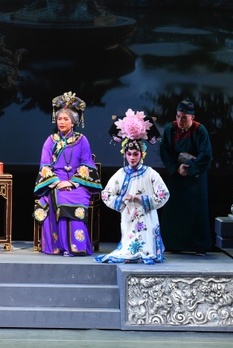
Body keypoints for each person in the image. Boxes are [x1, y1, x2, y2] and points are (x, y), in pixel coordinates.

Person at [96, 110, 169, 264]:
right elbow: (106, 194)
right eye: (129, 154)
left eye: (136, 154)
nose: (132, 157)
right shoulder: (121, 174)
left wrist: (141, 199)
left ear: (142, 154)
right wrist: (122, 200)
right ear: (125, 154)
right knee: (129, 247)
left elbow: (164, 194)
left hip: (146, 215)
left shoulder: (150, 173)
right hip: (128, 216)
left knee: (147, 250)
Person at [34, 91, 101, 256]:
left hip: (76, 184)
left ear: (73, 122)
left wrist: (71, 183)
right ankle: (61, 246)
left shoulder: (82, 140)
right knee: (60, 198)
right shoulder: (50, 141)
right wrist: (58, 183)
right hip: (56, 183)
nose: (62, 122)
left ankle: (77, 246)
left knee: (72, 198)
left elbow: (86, 164)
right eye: (59, 119)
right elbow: (44, 166)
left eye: (66, 119)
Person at [158, 99, 214, 255]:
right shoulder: (170, 129)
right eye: (178, 116)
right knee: (174, 209)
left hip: (196, 176)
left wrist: (189, 169)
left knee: (197, 210)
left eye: (184, 117)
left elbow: (206, 154)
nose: (180, 120)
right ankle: (173, 244)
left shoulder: (200, 130)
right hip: (177, 174)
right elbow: (165, 151)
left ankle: (199, 245)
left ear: (192, 117)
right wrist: (177, 168)